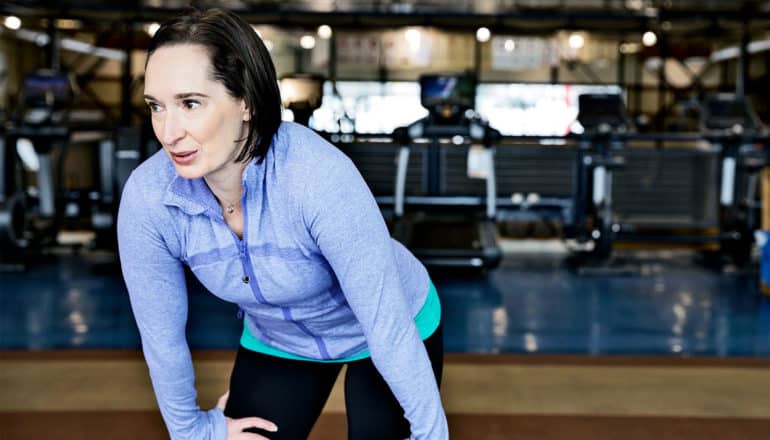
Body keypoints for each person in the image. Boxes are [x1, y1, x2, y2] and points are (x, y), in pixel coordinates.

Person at [117, 7, 447, 440]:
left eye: (190, 104)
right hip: (279, 339)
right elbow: (161, 337)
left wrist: (431, 434)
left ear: (247, 102)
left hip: (391, 325)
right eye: (156, 106)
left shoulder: (316, 178)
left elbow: (386, 324)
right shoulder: (150, 199)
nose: (168, 131)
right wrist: (195, 431)